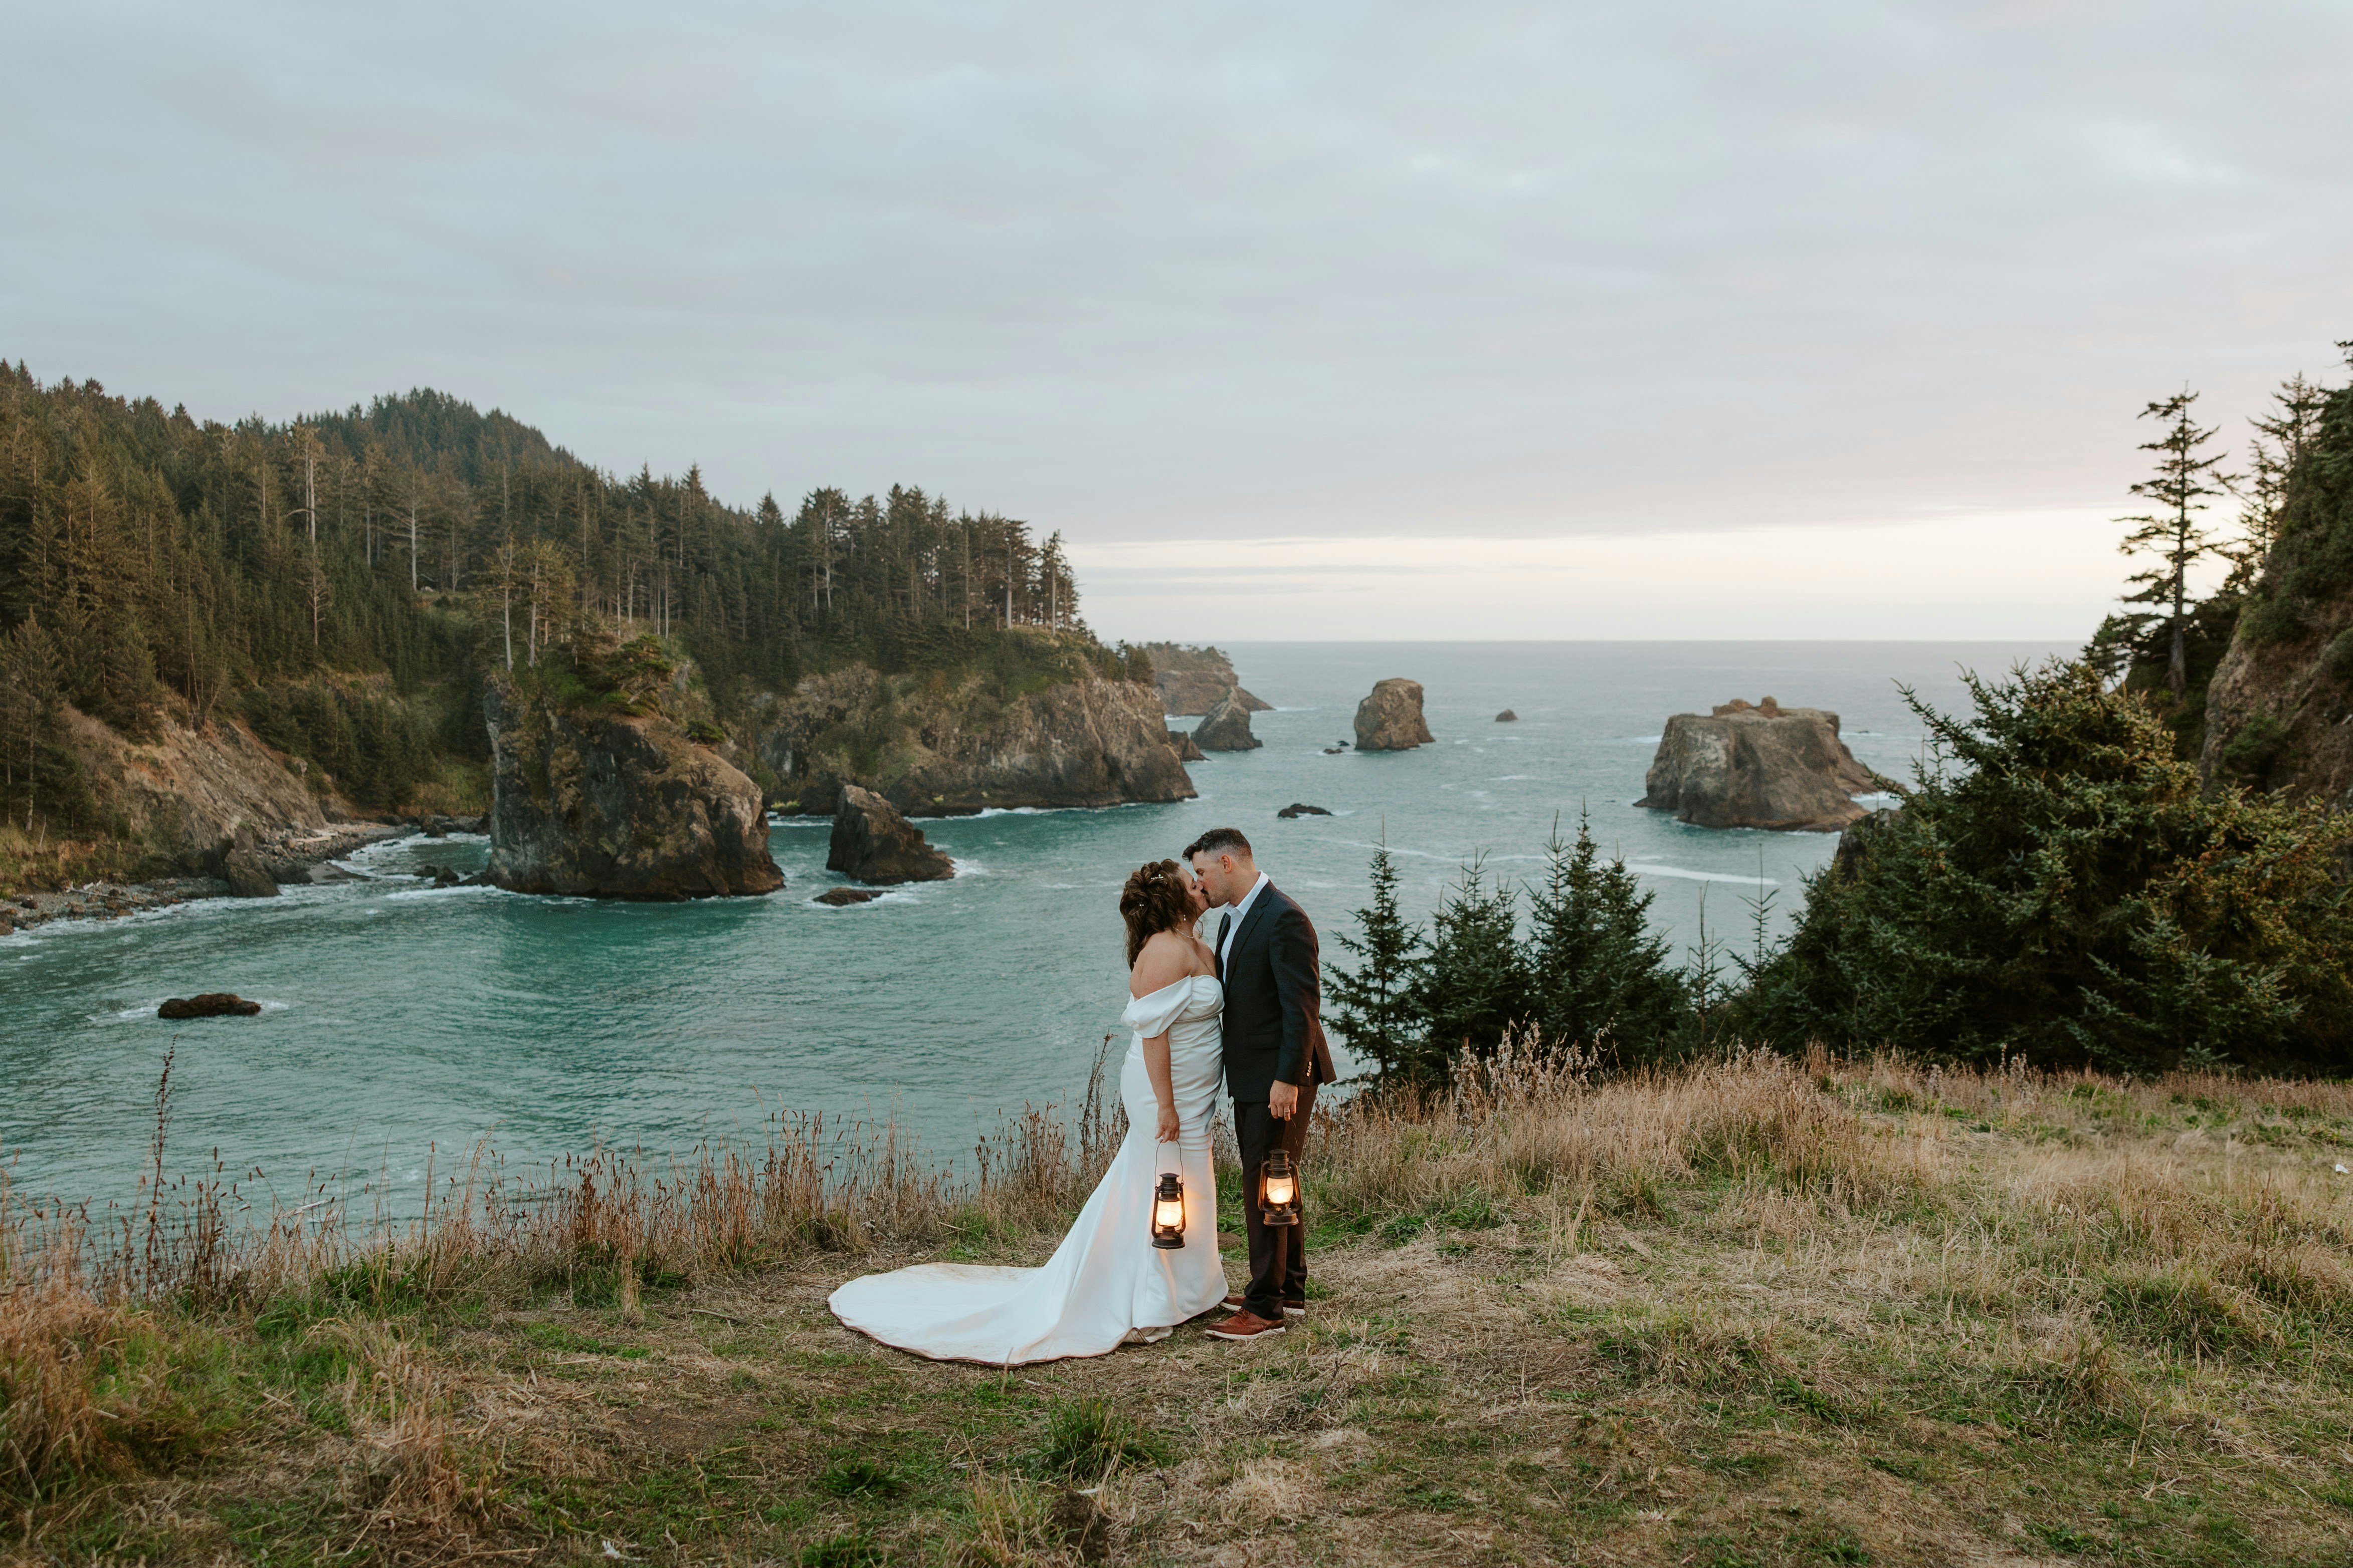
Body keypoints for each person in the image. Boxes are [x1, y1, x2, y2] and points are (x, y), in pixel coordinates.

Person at [827, 859, 1228, 1363]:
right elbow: (1153, 1036)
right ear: (1173, 898)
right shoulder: (1167, 950)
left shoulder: (1192, 943)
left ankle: (1190, 1289)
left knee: (1188, 1181)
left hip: (1194, 1092)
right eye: (1191, 883)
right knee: (1162, 1181)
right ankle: (1148, 1299)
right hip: (1163, 1092)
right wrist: (1165, 1105)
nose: (1200, 886)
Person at [1188, 826, 1334, 1342]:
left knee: (1264, 1188)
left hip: (1277, 1079)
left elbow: (1302, 1012)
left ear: (1227, 864)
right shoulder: (1234, 919)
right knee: (1279, 1180)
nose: (1198, 883)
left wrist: (1286, 1081)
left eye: (1202, 872)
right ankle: (1288, 1288)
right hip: (1255, 1076)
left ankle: (1264, 1308)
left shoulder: (1282, 918)